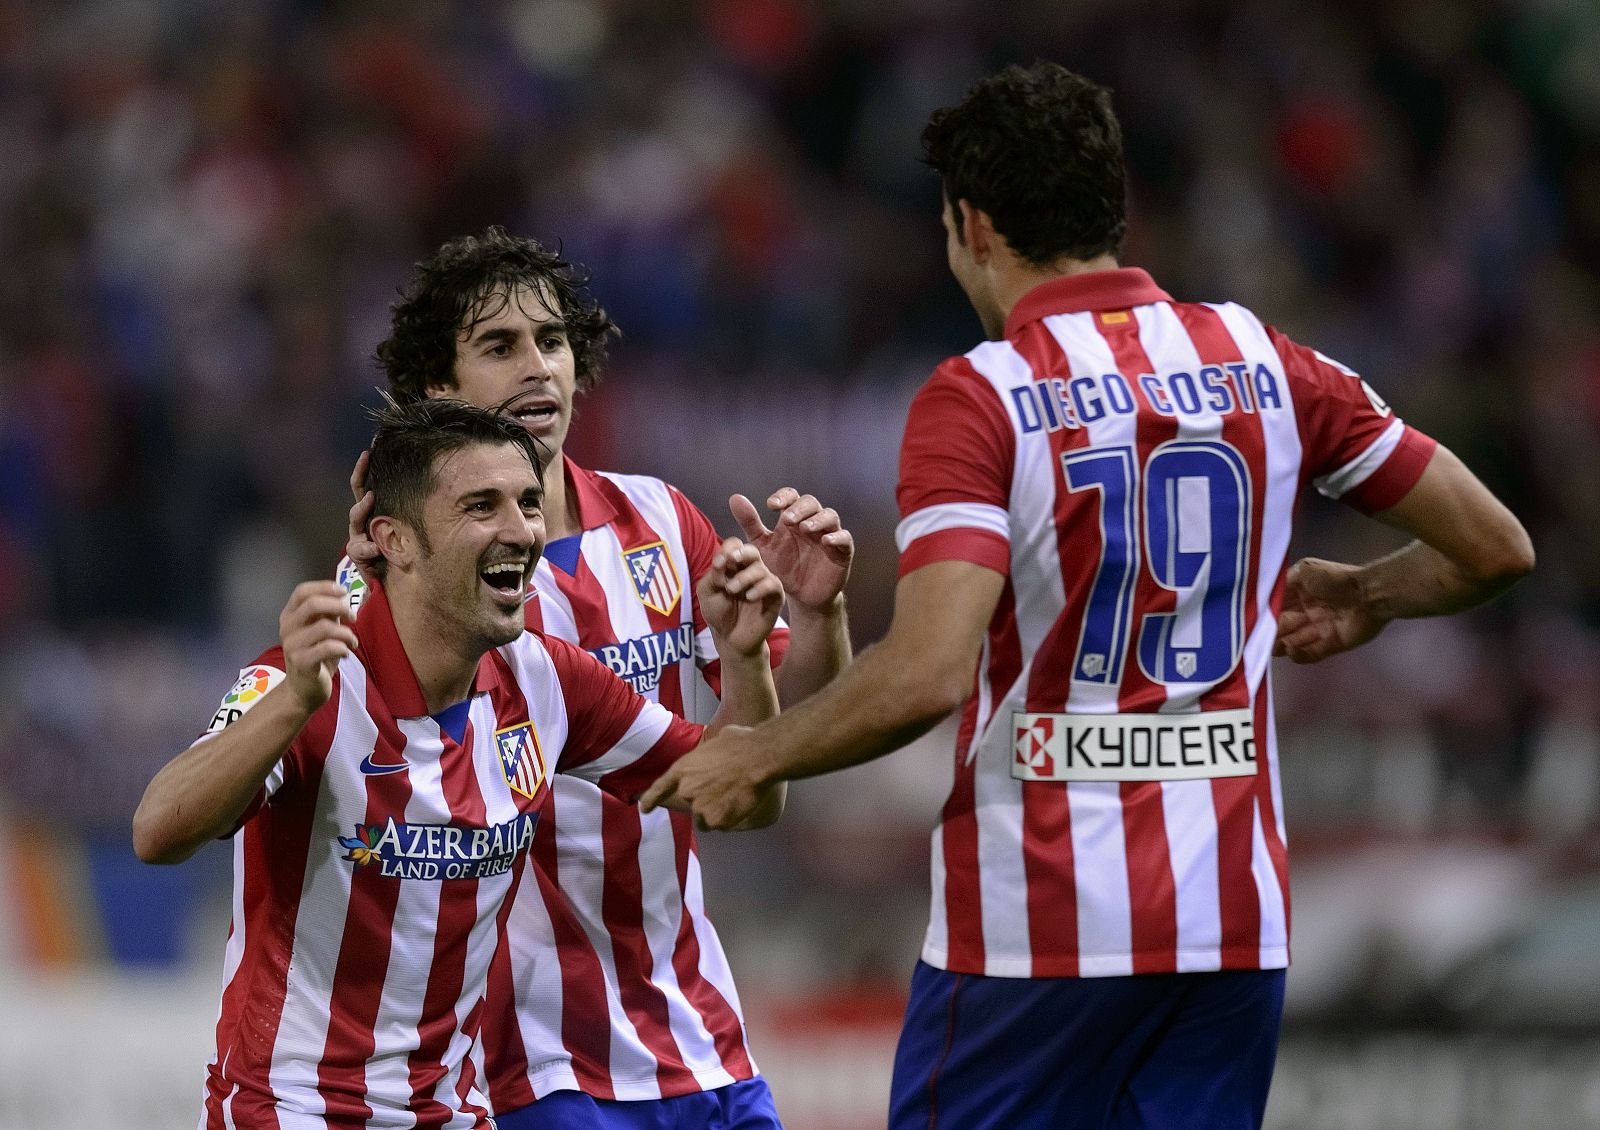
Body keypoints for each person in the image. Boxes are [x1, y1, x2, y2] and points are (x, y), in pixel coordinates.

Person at [639, 62, 1536, 1130]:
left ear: (971, 224)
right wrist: (1373, 594)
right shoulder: (1263, 358)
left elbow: (927, 671)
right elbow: (1496, 546)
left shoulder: (983, 394)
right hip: (1229, 929)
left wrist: (758, 748)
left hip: (1037, 931)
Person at [132, 398, 786, 1130]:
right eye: (482, 506)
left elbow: (744, 798)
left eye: (528, 504)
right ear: (396, 541)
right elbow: (158, 830)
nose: (521, 531)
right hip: (289, 1111)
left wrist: (744, 657)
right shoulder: (310, 677)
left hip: (454, 1113)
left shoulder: (546, 680)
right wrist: (290, 706)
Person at [343, 228, 853, 1129]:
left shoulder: (658, 516)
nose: (536, 368)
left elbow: (771, 738)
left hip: (697, 1026)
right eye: (498, 347)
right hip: (530, 1059)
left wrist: (814, 616)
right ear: (438, 388)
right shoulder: (423, 576)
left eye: (552, 341)